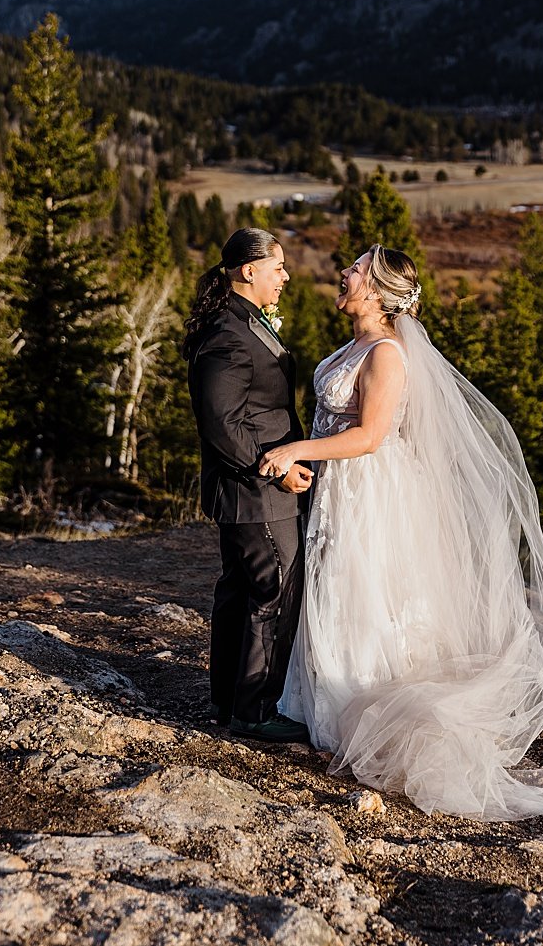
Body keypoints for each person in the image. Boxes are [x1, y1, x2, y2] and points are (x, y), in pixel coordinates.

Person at [261, 246, 543, 819]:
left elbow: (370, 436)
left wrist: (298, 449)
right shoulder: (354, 346)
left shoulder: (388, 354)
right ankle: (328, 707)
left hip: (371, 489)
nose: (342, 275)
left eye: (354, 271)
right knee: (336, 589)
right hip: (339, 490)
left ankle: (368, 713)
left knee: (364, 591)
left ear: (375, 290)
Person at [182, 228, 315, 743]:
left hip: (255, 488)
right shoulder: (226, 333)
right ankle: (254, 710)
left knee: (240, 592)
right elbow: (220, 423)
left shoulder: (245, 322)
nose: (285, 276)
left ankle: (226, 699)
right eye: (277, 267)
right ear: (248, 270)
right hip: (254, 489)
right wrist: (278, 467)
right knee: (272, 591)